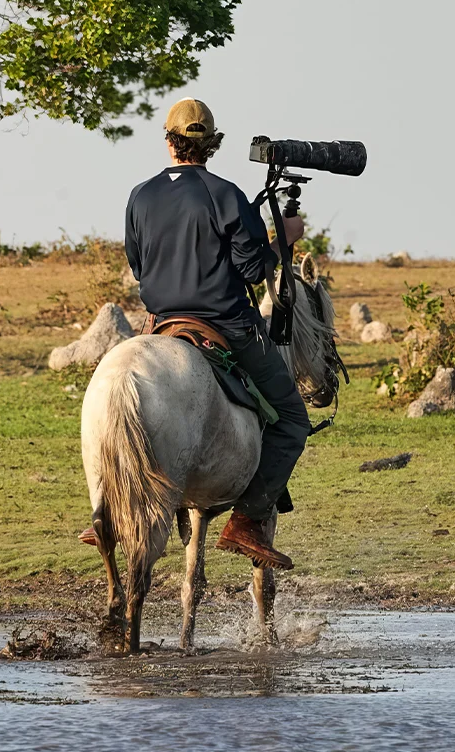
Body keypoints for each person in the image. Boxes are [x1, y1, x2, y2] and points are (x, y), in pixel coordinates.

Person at [91, 97, 309, 570]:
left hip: (161, 324)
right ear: (210, 145)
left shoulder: (140, 195)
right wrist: (284, 240)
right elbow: (253, 269)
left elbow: (138, 264)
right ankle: (248, 521)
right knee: (293, 417)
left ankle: (105, 511)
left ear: (169, 141)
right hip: (226, 324)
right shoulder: (225, 194)